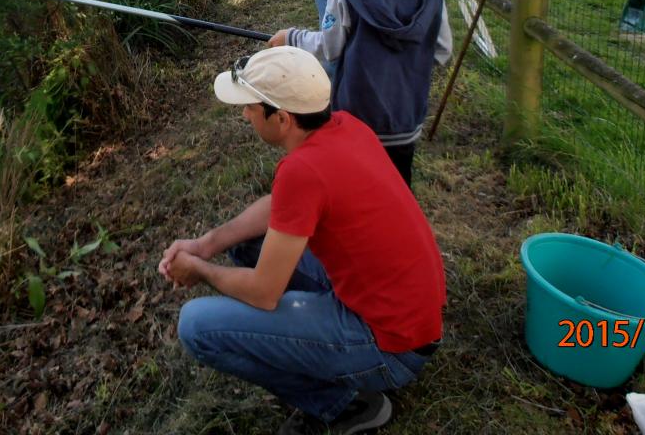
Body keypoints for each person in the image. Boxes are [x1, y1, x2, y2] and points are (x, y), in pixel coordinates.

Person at [160, 47, 445, 434]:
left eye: (251, 108)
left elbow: (264, 293)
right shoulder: (344, 126)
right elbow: (280, 207)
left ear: (281, 118)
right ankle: (326, 346)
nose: (244, 115)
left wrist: (200, 270)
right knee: (244, 242)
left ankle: (345, 405)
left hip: (392, 347)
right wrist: (206, 244)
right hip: (409, 317)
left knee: (196, 326)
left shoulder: (303, 170)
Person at [268, 0, 452, 187]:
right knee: (395, 192)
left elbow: (330, 47)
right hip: (405, 121)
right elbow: (442, 50)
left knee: (354, 188)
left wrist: (291, 37)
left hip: (356, 120)